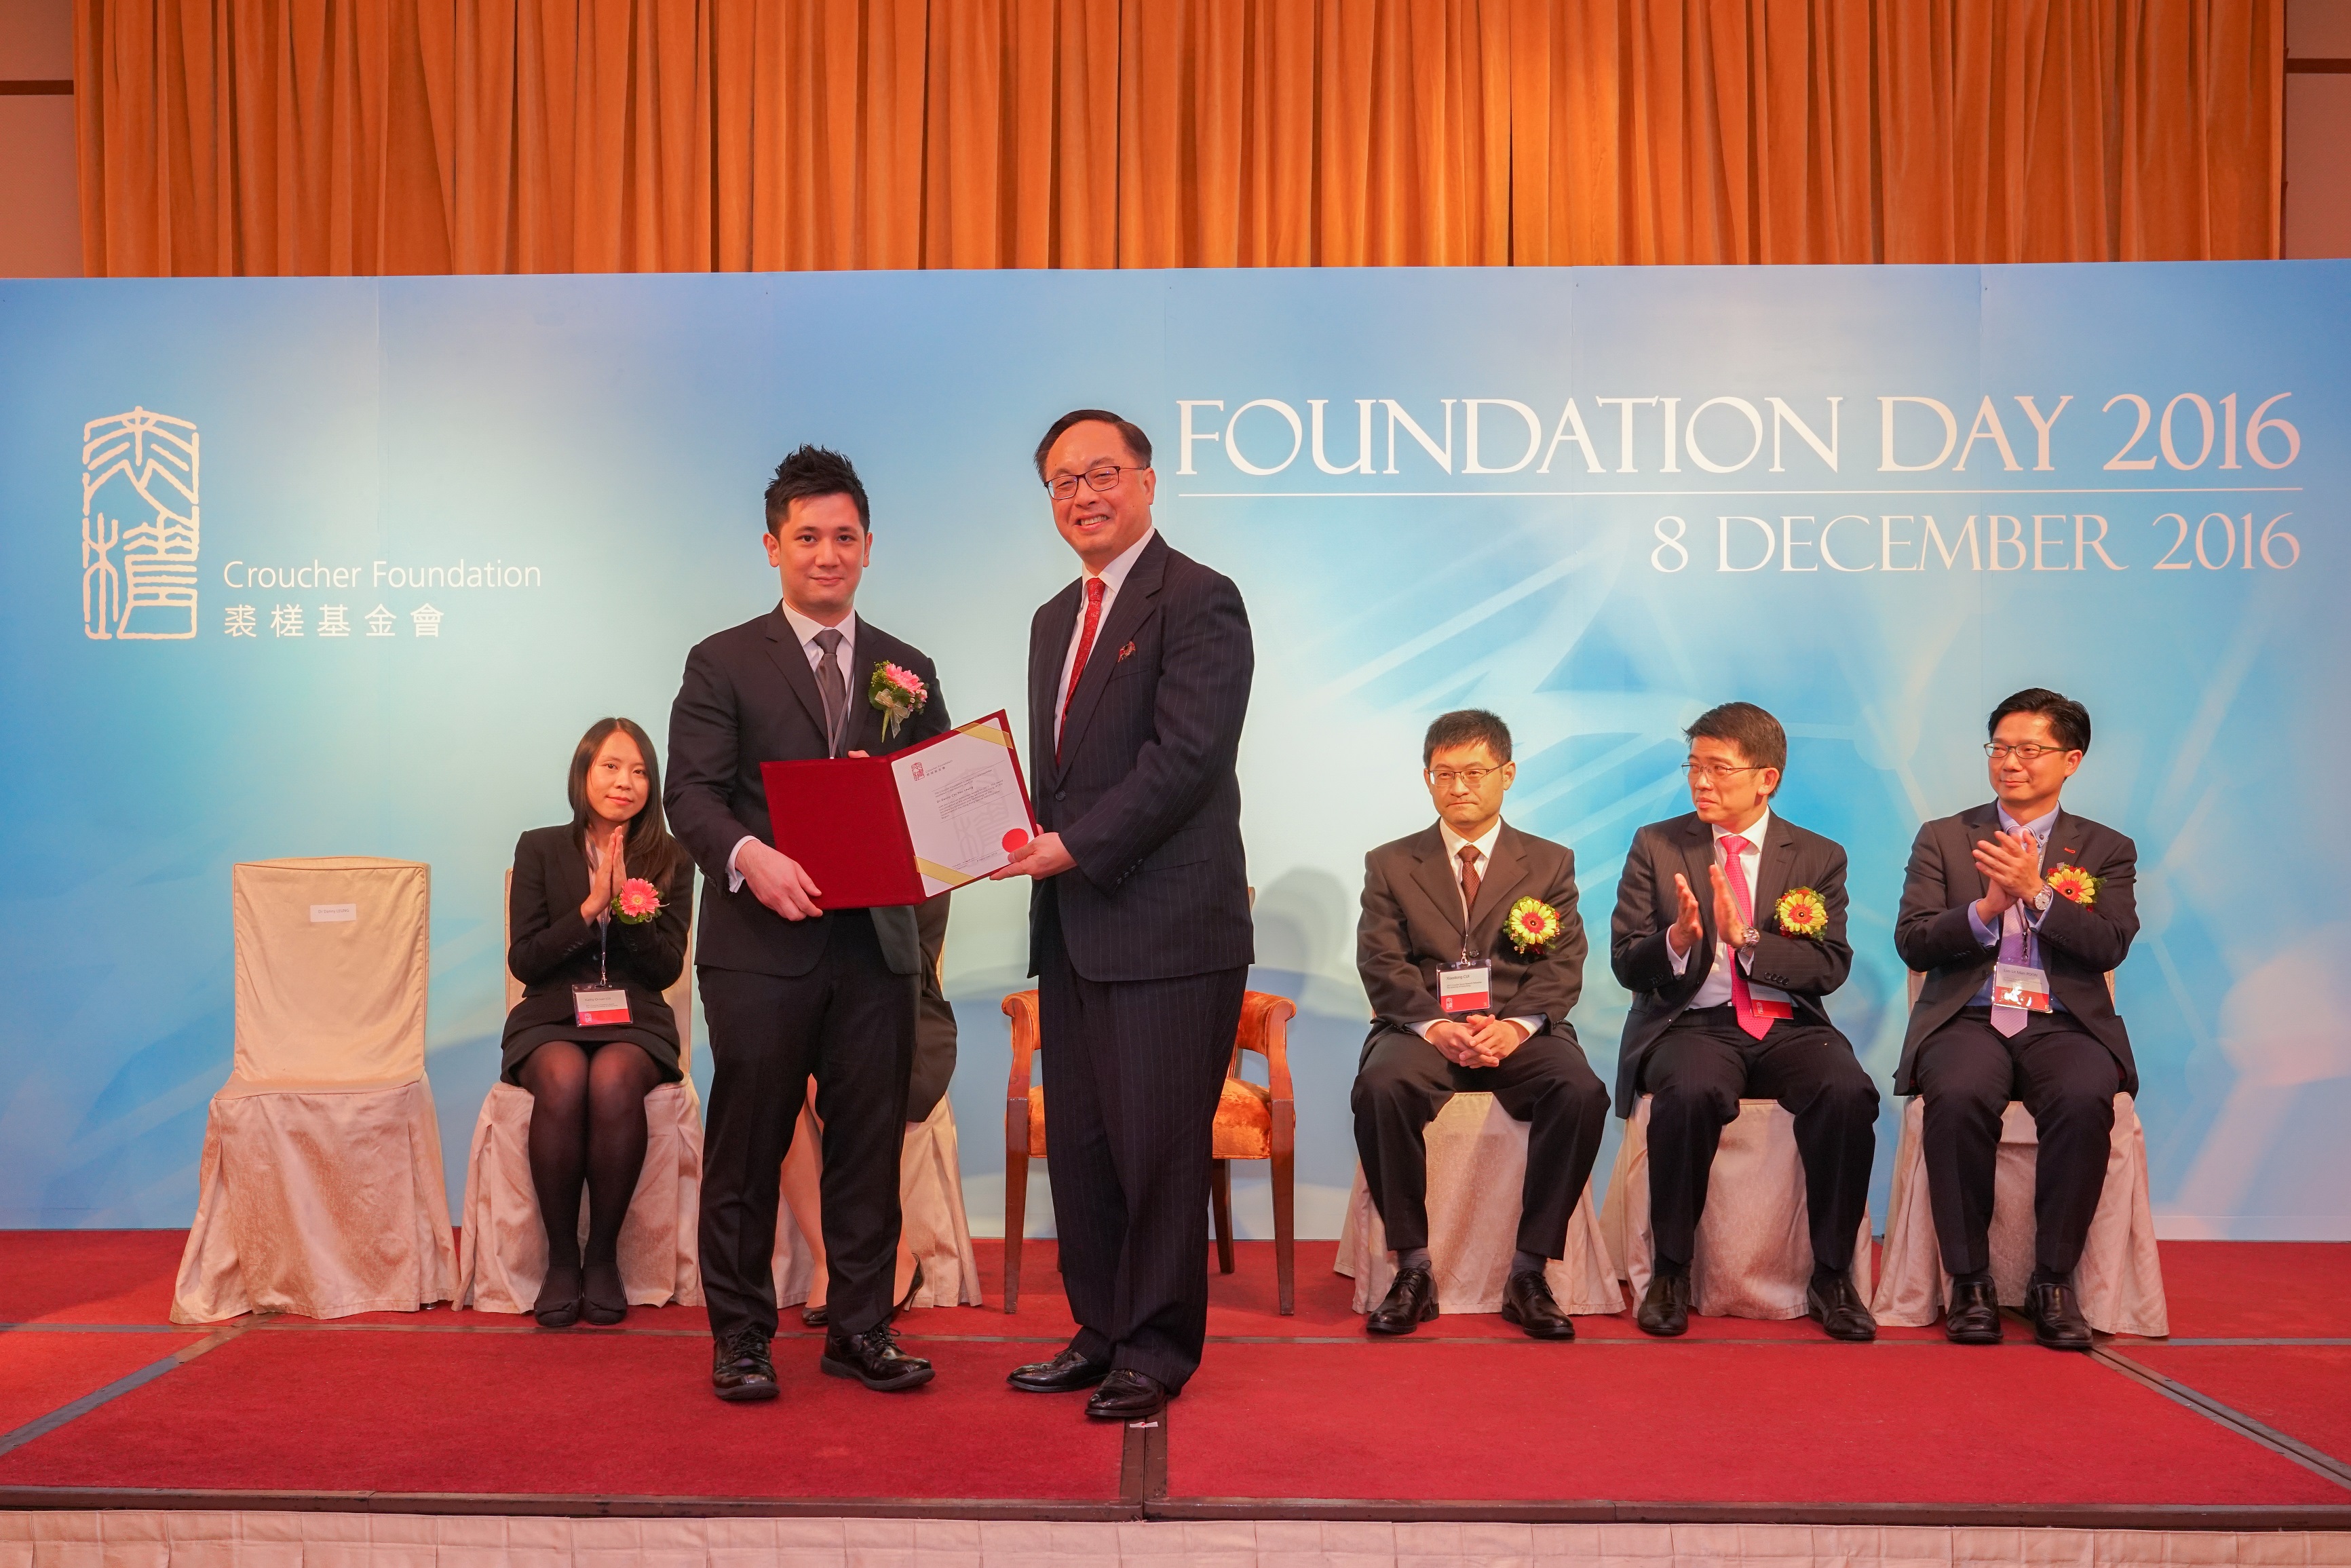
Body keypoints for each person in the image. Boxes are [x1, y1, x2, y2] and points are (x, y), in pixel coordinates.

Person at [666, 445, 949, 1402]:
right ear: (773, 546)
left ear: (869, 546)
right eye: (806, 537)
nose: (826, 554)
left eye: (843, 536)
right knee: (748, 1145)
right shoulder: (723, 660)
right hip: (761, 947)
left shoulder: (908, 667)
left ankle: (861, 1327)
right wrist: (754, 857)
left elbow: (938, 796)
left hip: (876, 947)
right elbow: (692, 797)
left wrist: (967, 838)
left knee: (868, 1144)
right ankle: (740, 1335)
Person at [991, 408, 1254, 1421]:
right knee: (1089, 1150)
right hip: (1073, 924)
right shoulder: (1056, 615)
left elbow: (1185, 761)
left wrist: (1073, 845)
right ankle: (1098, 1329)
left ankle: (1154, 1346)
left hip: (1168, 931)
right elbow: (1057, 776)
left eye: (1101, 473)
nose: (1083, 495)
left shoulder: (1198, 599)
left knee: (1156, 1150)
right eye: (1061, 481)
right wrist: (1007, 830)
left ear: (1146, 481)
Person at [1609, 702, 1879, 1341]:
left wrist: (1748, 939)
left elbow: (1828, 966)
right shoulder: (1657, 843)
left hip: (1787, 1024)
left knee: (1846, 1091)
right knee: (1690, 1091)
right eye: (1693, 766)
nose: (1700, 781)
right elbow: (1626, 961)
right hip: (1691, 1023)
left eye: (1718, 768)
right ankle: (1671, 1272)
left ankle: (1832, 1275)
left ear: (1766, 778)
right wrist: (1675, 940)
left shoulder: (1816, 855)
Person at [1352, 709, 1608, 1340]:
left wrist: (1518, 1026)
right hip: (1423, 1032)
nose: (1458, 787)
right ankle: (1411, 1269)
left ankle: (1528, 1271)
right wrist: (1436, 1027)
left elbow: (1564, 963)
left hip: (1516, 1032)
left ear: (1507, 774)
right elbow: (1381, 962)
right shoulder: (1390, 863)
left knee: (1579, 1090)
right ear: (1427, 778)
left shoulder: (1548, 863)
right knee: (1382, 1087)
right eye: (1444, 774)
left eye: (1473, 772)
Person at [1894, 688, 2138, 1351]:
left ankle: (2052, 1283)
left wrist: (2037, 894)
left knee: (2089, 1098)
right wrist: (1984, 909)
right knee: (1959, 1094)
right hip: (1970, 1017)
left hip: (2062, 1023)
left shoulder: (2106, 848)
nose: (2010, 763)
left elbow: (2108, 944)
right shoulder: (1945, 838)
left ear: (2071, 760)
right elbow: (1912, 940)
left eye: (2029, 750)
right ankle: (1969, 1284)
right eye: (2000, 748)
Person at [499, 718, 695, 1328]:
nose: (625, 782)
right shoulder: (539, 846)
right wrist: (588, 908)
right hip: (551, 1013)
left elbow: (666, 968)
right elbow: (524, 959)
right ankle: (562, 1259)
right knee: (561, 1078)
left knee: (612, 1078)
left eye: (639, 771)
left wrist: (627, 908)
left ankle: (603, 1257)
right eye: (611, 766)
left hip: (635, 1016)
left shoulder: (673, 855)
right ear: (584, 772)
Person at [786, 894, 956, 1326]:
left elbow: (911, 960)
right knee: (778, 1086)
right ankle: (828, 1259)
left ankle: (891, 1257)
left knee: (827, 1080)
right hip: (814, 1013)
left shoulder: (916, 859)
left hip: (901, 1014)